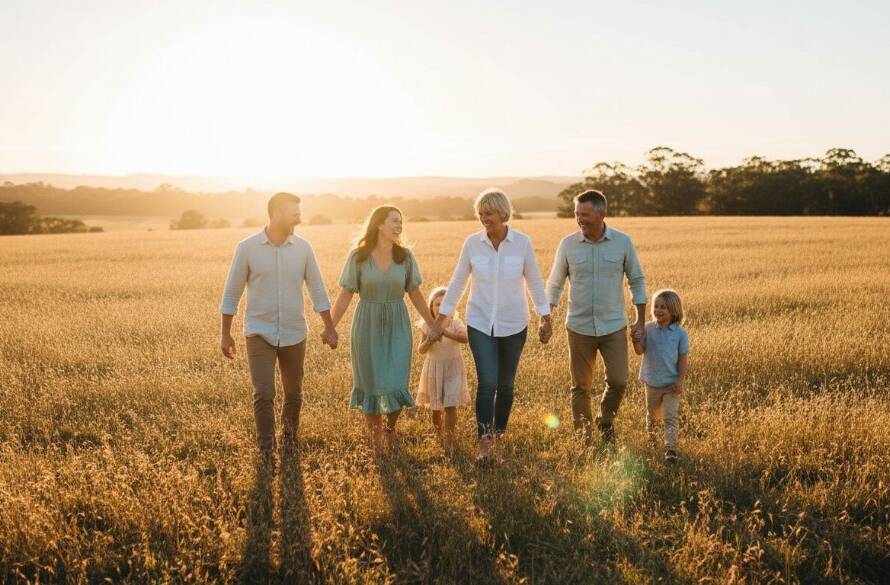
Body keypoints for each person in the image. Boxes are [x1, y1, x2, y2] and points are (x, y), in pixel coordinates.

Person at [436, 189, 552, 463]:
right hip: (480, 322)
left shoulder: (522, 243)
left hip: (514, 323)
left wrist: (545, 316)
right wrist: (442, 317)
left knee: (506, 385)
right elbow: (458, 282)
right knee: (487, 383)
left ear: (502, 212)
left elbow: (534, 281)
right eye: (480, 214)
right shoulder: (472, 244)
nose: (484, 218)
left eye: (488, 213)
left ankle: (499, 434)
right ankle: (485, 442)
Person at [219, 192, 337, 456]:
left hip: (295, 332)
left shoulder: (304, 248)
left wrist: (329, 327)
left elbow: (317, 289)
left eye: (299, 213)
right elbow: (232, 292)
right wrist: (225, 334)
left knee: (294, 393)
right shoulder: (247, 248)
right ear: (275, 214)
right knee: (264, 392)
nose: (299, 218)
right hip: (259, 332)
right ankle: (266, 449)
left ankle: (290, 441)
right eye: (294, 213)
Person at [330, 206, 442, 454]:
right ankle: (376, 438)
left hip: (398, 324)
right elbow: (345, 294)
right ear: (379, 224)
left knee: (396, 380)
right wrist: (330, 326)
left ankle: (390, 429)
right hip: (366, 324)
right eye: (394, 221)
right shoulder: (358, 257)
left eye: (401, 222)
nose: (399, 226)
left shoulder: (405, 257)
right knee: (370, 382)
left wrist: (432, 324)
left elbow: (415, 293)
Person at [546, 189, 647, 445]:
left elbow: (636, 279)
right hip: (578, 327)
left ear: (602, 214)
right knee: (580, 386)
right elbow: (555, 283)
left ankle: (605, 420)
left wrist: (640, 320)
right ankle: (584, 437)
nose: (579, 219)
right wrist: (546, 317)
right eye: (577, 213)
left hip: (613, 326)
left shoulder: (622, 242)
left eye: (585, 214)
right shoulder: (567, 244)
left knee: (619, 380)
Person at [632, 289, 690, 463]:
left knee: (670, 417)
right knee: (652, 416)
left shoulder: (680, 333)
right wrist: (635, 340)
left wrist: (680, 381)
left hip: (671, 384)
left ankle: (671, 449)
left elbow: (683, 359)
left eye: (663, 307)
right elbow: (639, 351)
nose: (658, 310)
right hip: (651, 383)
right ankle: (652, 442)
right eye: (656, 306)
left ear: (674, 310)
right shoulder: (648, 328)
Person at [416, 286, 470, 454]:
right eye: (437, 304)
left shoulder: (455, 322)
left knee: (451, 405)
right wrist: (430, 340)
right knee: (436, 406)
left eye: (445, 304)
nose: (440, 307)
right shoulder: (427, 325)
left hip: (453, 369)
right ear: (431, 307)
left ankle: (449, 439)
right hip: (435, 369)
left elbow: (465, 338)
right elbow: (421, 350)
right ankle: (438, 434)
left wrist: (445, 333)